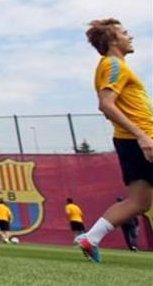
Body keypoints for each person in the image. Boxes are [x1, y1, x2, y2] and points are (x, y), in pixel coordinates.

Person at [75, 19, 153, 263]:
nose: (130, 36)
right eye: (124, 32)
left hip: (129, 141)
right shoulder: (113, 65)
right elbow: (106, 104)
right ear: (112, 41)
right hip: (141, 139)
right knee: (139, 202)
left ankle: (91, 238)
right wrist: (142, 136)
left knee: (139, 202)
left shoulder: (111, 65)